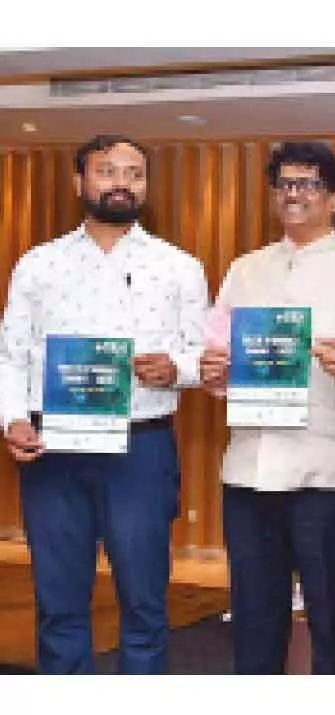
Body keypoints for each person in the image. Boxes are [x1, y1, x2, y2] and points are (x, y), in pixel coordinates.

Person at [0, 134, 209, 673]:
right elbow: (12, 353)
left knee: (145, 602)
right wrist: (14, 419)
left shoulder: (179, 266)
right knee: (59, 602)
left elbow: (201, 353)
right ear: (79, 182)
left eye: (135, 174)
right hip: (53, 449)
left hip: (141, 450)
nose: (122, 184)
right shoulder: (38, 265)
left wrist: (177, 369)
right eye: (108, 171)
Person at [199, 141, 335, 674]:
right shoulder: (244, 271)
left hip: (328, 478)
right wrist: (213, 372)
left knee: (333, 626)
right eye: (285, 184)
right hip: (249, 472)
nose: (293, 194)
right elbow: (214, 355)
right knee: (253, 623)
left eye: (308, 184)